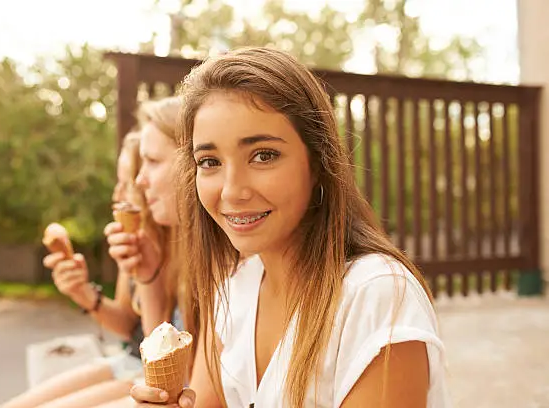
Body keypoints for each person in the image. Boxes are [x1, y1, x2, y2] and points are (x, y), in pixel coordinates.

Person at [131, 47, 450, 408]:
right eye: (210, 161)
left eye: (263, 155)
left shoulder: (375, 296)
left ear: (317, 162)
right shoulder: (234, 292)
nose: (232, 191)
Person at [0, 97, 187, 408]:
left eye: (125, 183)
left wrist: (149, 275)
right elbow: (132, 327)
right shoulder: (142, 245)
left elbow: (161, 359)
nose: (118, 194)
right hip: (131, 364)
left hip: (143, 377)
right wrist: (86, 294)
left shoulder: (185, 248)